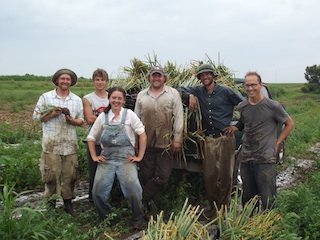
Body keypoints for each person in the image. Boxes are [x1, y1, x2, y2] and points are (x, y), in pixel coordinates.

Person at [180, 63, 244, 218]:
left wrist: (238, 126)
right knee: (210, 175)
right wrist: (190, 96)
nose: (205, 77)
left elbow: (245, 105)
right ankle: (213, 208)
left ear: (213, 75)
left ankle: (224, 208)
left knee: (226, 175)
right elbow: (179, 88)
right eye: (202, 75)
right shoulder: (198, 91)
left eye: (208, 74)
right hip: (208, 140)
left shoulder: (226, 91)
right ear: (199, 78)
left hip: (225, 139)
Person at [226, 72, 294, 209]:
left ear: (260, 85)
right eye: (247, 85)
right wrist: (235, 128)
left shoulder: (273, 106)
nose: (250, 88)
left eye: (253, 85)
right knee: (248, 198)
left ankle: (270, 225)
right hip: (246, 157)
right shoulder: (243, 107)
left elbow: (290, 123)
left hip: (265, 158)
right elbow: (243, 122)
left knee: (268, 197)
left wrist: (278, 142)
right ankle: (252, 225)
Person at [86, 87, 147, 229]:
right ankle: (106, 218)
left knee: (134, 189)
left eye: (119, 98)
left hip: (126, 159)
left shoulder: (129, 115)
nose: (116, 100)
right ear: (109, 99)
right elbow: (91, 137)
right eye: (114, 98)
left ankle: (138, 218)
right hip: (107, 160)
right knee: (98, 191)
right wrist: (95, 156)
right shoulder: (103, 116)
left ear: (123, 100)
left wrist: (140, 156)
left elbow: (142, 134)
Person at [32, 68, 84, 214]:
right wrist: (51, 115)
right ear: (57, 80)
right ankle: (50, 205)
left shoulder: (76, 100)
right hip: (51, 145)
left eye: (68, 79)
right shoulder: (46, 97)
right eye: (62, 79)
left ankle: (68, 203)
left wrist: (71, 120)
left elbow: (81, 121)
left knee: (70, 176)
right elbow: (36, 117)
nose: (65, 81)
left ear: (71, 82)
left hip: (70, 145)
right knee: (51, 177)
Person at [134, 66, 184, 213]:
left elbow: (179, 116)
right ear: (149, 78)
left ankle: (140, 200)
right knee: (147, 175)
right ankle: (152, 208)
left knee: (162, 177)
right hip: (146, 143)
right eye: (154, 76)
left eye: (159, 76)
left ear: (164, 78)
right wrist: (136, 141)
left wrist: (177, 138)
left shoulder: (172, 94)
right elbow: (136, 119)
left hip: (165, 143)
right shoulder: (142, 95)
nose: (156, 79)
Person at [83, 68, 109, 202]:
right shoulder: (88, 98)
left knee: (110, 170)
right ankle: (92, 200)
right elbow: (89, 119)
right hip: (95, 140)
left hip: (111, 141)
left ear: (106, 81)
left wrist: (98, 117)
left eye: (102, 79)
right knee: (94, 171)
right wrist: (110, 120)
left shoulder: (112, 96)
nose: (100, 82)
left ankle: (108, 198)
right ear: (93, 81)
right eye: (97, 80)